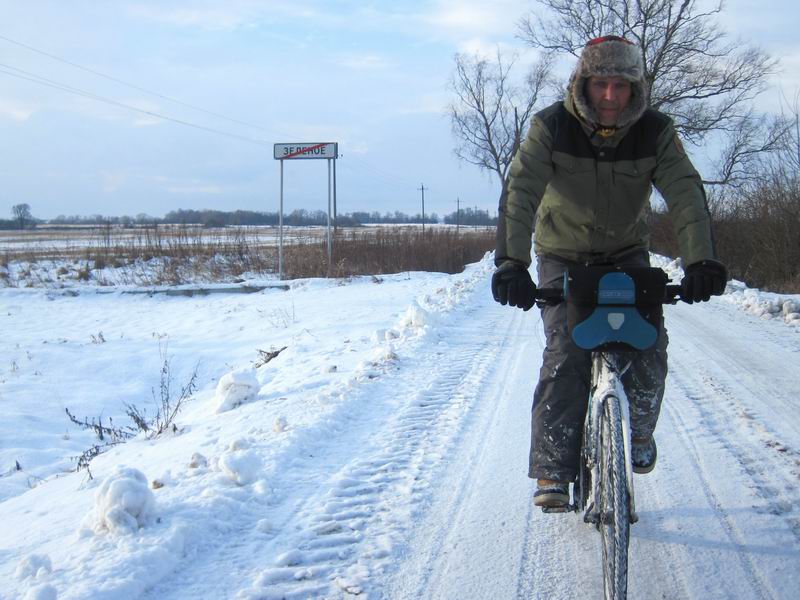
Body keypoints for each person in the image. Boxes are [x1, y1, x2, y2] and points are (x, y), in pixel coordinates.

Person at [491, 36, 727, 508]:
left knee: (648, 342)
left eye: (622, 86)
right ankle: (554, 470)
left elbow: (683, 191)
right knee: (566, 350)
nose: (611, 97)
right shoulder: (551, 127)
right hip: (564, 254)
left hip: (625, 254)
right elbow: (521, 193)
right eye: (601, 84)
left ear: (636, 89)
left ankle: (637, 433)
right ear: (583, 84)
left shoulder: (655, 131)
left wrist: (701, 259)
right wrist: (512, 263)